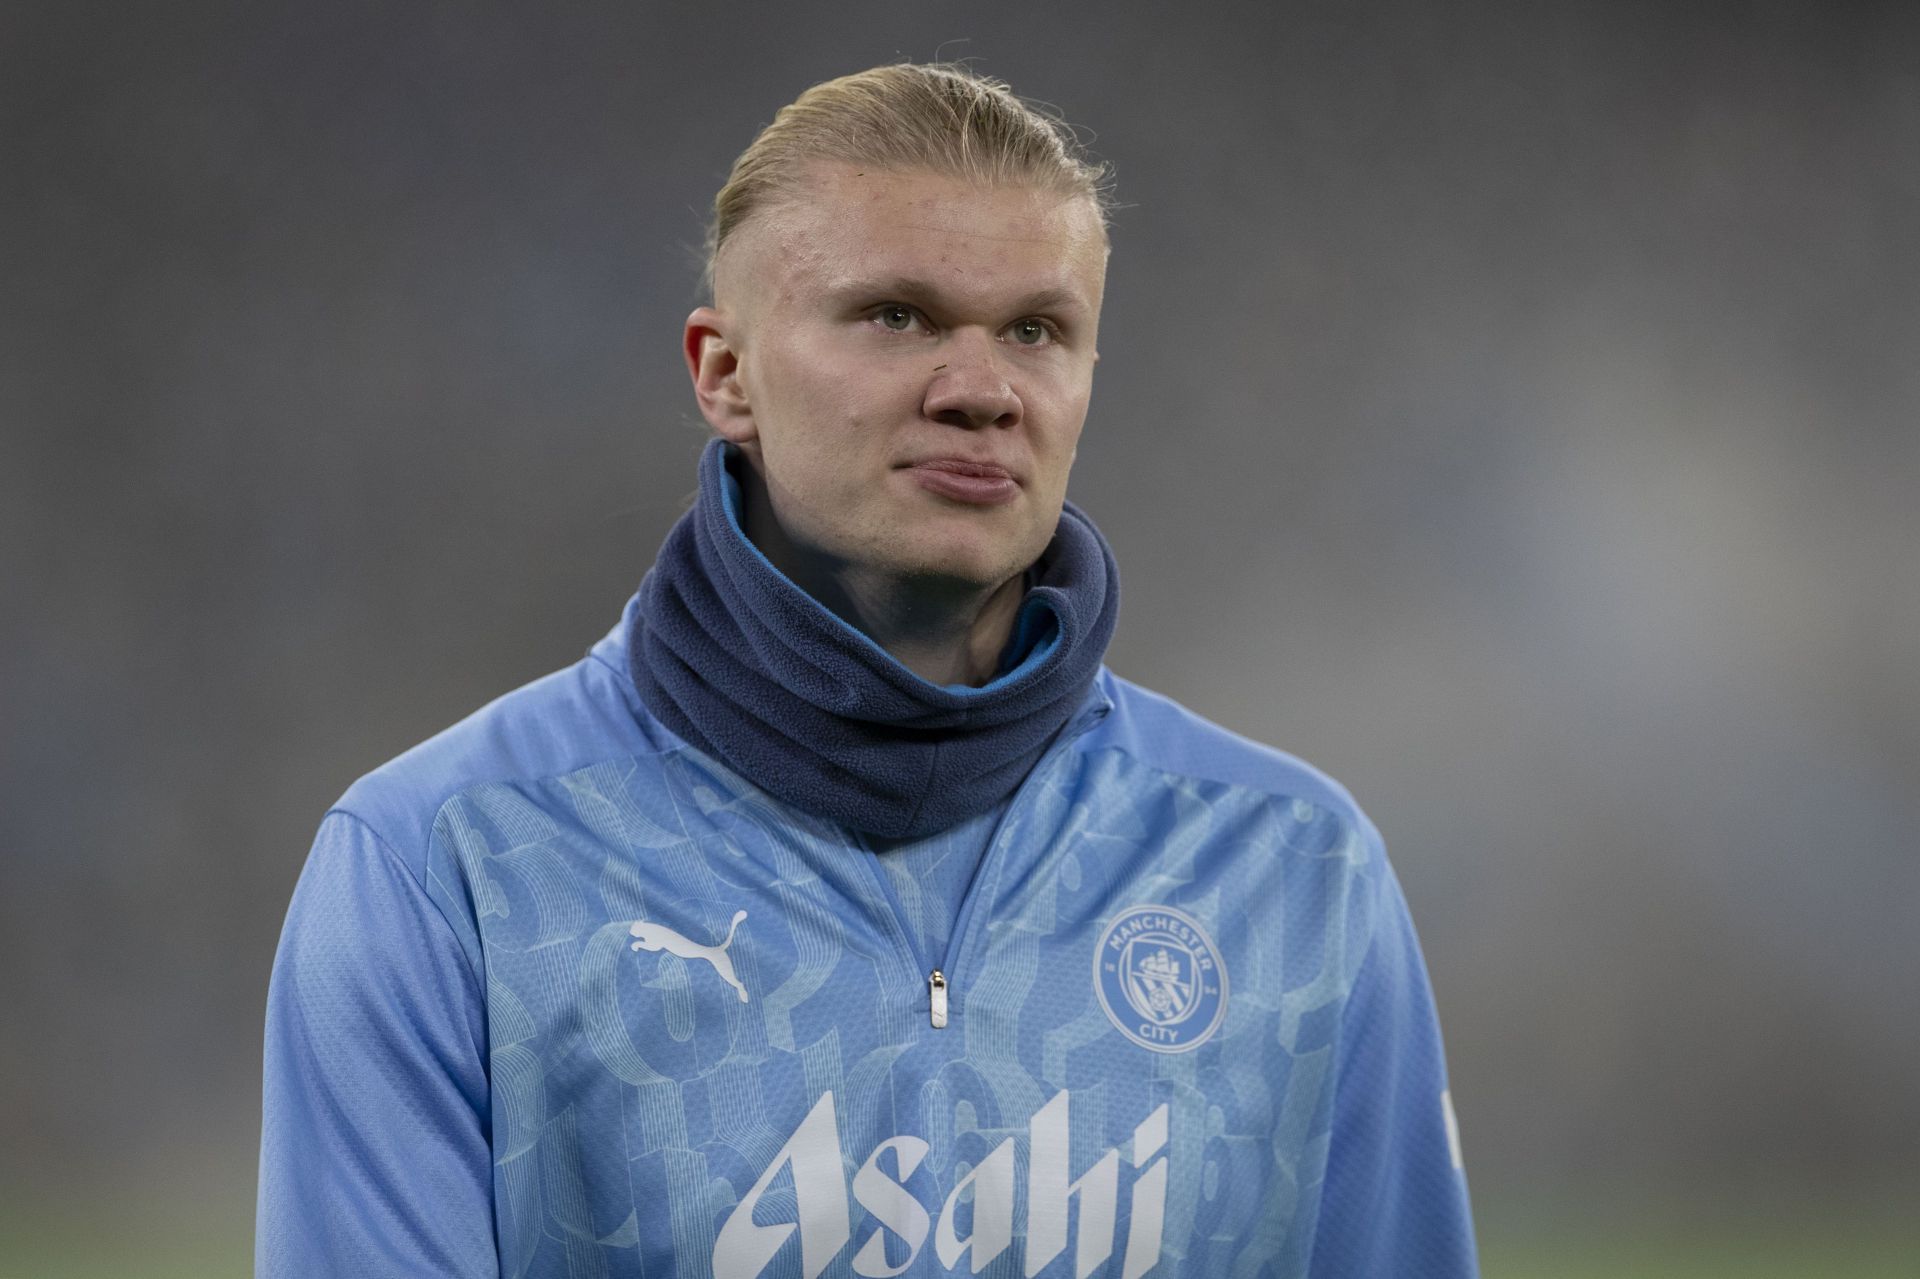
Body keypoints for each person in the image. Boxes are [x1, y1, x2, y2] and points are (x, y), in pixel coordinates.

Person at [257, 62, 1478, 1279]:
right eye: (897, 315)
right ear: (723, 373)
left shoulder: (1293, 871)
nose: (979, 391)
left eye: (1037, 331)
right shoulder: (447, 868)